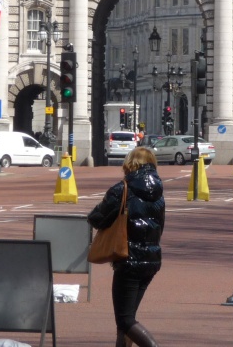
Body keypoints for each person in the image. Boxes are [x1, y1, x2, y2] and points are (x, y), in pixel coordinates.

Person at [88, 146, 164, 347]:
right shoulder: (158, 190)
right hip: (152, 260)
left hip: (129, 259)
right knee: (126, 319)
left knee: (125, 319)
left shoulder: (122, 188)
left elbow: (97, 217)